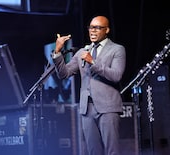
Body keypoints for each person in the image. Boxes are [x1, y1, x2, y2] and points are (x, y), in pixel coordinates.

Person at [52, 15, 126, 155]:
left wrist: (93, 62)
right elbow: (64, 74)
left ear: (107, 30)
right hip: (87, 108)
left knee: (112, 151)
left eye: (97, 28)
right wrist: (57, 52)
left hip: (108, 107)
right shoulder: (82, 52)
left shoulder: (117, 49)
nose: (93, 31)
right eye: (91, 27)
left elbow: (116, 75)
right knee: (93, 151)